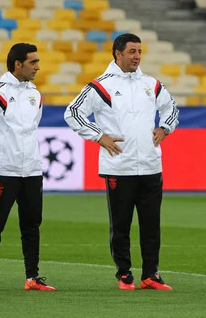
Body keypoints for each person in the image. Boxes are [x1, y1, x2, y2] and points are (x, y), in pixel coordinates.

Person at [64, 33, 179, 291]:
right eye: (132, 51)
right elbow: (72, 112)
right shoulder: (100, 86)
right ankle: (124, 275)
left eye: (139, 51)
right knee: (121, 226)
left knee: (151, 226)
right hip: (119, 167)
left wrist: (165, 128)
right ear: (117, 53)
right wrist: (98, 136)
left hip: (150, 165)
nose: (137, 56)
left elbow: (172, 109)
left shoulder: (152, 84)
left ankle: (151, 274)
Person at [0, 43, 55, 293]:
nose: (38, 66)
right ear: (17, 65)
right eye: (33, 62)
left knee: (32, 225)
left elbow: (32, 129)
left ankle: (32, 277)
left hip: (32, 171)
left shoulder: (36, 93)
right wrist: (3, 156)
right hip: (4, 171)